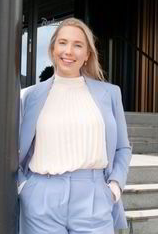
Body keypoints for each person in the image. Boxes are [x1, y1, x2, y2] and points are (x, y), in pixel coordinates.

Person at [17, 17, 131, 234]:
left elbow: (122, 148)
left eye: (78, 45)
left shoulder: (110, 93)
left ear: (87, 54)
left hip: (94, 196)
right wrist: (24, 188)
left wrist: (114, 188)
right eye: (62, 43)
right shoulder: (28, 97)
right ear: (52, 49)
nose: (68, 51)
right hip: (41, 196)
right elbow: (13, 151)